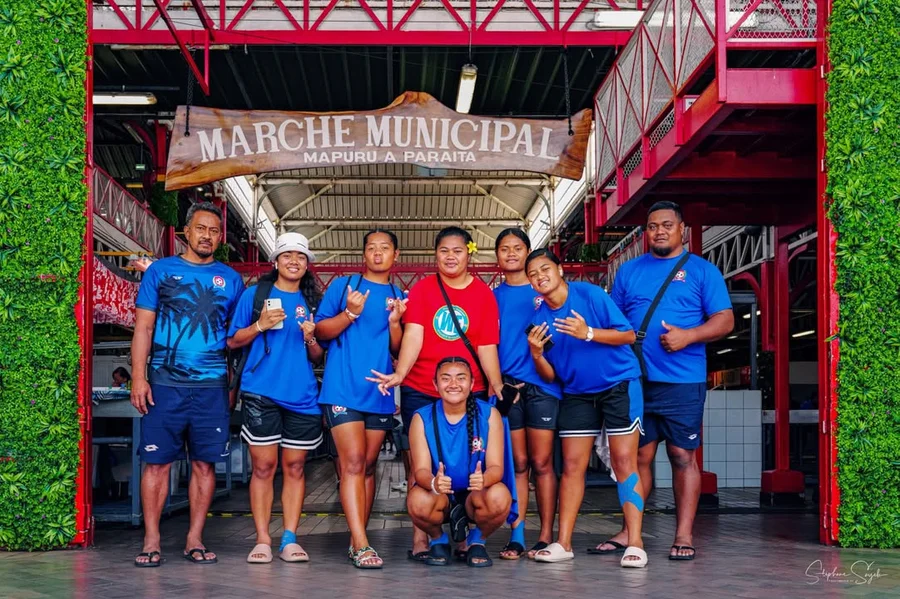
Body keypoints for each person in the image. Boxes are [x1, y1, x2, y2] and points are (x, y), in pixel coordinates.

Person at [602, 201, 733, 561]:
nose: (659, 231)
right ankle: (632, 532)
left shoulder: (702, 271)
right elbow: (613, 323)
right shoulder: (628, 272)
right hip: (636, 380)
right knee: (638, 457)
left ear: (682, 229)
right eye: (652, 226)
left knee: (681, 455)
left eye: (666, 225)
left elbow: (725, 320)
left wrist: (688, 336)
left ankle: (684, 535)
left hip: (683, 382)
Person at [367, 227, 505, 561]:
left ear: (468, 253)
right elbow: (413, 335)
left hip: (468, 390)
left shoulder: (483, 295)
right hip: (422, 387)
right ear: (435, 254)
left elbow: (486, 346)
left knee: (471, 462)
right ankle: (423, 538)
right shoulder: (425, 289)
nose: (451, 257)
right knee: (421, 468)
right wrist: (400, 373)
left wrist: (496, 384)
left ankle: (464, 537)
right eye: (444, 251)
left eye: (457, 250)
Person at [131, 202, 244, 567]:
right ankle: (152, 539)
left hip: (212, 387)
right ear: (186, 232)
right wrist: (138, 376)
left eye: (214, 231)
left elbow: (235, 337)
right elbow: (144, 328)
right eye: (201, 229)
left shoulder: (231, 279)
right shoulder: (161, 272)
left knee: (204, 465)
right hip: (164, 383)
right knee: (157, 464)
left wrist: (234, 388)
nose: (207, 236)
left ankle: (194, 538)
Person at [526, 248, 648, 568]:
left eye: (544, 269)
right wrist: (537, 354)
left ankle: (635, 542)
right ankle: (563, 542)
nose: (540, 277)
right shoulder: (538, 319)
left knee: (624, 461)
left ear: (560, 270)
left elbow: (628, 335)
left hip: (619, 384)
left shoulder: (590, 294)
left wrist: (588, 333)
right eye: (533, 274)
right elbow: (550, 374)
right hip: (577, 393)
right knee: (572, 466)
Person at [227, 232, 324, 564]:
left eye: (301, 256)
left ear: (307, 264)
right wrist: (259, 325)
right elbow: (233, 340)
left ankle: (290, 538)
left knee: (295, 468)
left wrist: (311, 338)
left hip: (302, 396)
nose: (294, 261)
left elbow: (316, 357)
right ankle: (263, 538)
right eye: (287, 255)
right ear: (276, 261)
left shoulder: (314, 302)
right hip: (261, 392)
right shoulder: (255, 296)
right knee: (264, 467)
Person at [315, 229, 406, 568]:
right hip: (342, 388)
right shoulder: (344, 286)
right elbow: (320, 332)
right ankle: (364, 543)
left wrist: (396, 322)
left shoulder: (399, 294)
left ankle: (357, 541)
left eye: (385, 248)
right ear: (363, 254)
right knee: (352, 464)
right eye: (371, 248)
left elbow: (398, 350)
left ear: (396, 255)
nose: (378, 253)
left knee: (368, 467)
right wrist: (350, 313)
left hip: (379, 392)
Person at [492, 229, 560, 560]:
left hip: (545, 387)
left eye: (517, 248)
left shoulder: (545, 293)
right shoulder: (492, 296)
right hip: (509, 389)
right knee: (518, 463)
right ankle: (517, 534)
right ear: (497, 257)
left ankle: (546, 535)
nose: (511, 254)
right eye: (504, 249)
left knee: (542, 462)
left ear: (528, 252)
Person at [406, 357, 512, 568]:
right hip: (440, 497)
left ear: (472, 383)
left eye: (461, 378)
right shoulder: (421, 418)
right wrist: (435, 483)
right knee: (417, 500)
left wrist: (484, 478)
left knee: (500, 496)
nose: (453, 384)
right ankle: (439, 540)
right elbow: (421, 471)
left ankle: (477, 541)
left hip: (475, 495)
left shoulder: (490, 415)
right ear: (435, 385)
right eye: (445, 379)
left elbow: (496, 468)